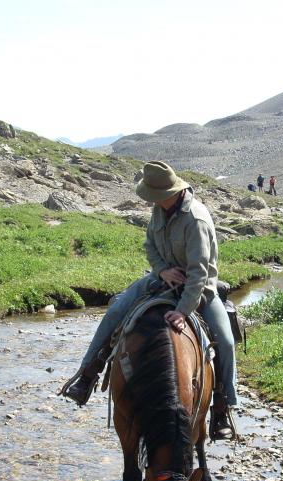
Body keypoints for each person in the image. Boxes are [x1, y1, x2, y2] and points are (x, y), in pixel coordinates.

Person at [60, 161, 237, 440]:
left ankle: (223, 407)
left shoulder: (197, 220)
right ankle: (87, 375)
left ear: (173, 191)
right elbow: (150, 247)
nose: (151, 201)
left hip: (198, 288)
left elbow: (199, 272)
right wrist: (162, 270)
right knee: (117, 308)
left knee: (225, 341)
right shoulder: (159, 209)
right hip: (160, 279)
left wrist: (182, 311)